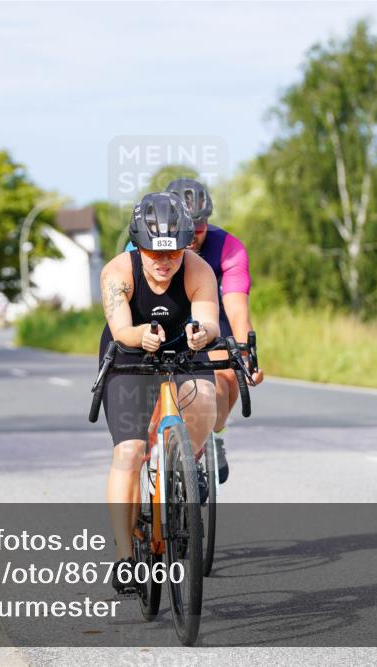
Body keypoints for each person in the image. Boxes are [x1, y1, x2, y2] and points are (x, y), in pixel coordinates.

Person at [99, 192, 220, 595]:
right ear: (139, 245)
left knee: (205, 398)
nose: (165, 262)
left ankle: (183, 467)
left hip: (184, 347)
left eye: (174, 253)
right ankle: (123, 558)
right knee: (129, 451)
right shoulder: (118, 272)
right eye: (154, 253)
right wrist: (140, 335)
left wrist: (200, 332)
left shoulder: (198, 270)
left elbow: (209, 320)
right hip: (130, 350)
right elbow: (121, 329)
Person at [126, 178, 265, 484]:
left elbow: (237, 308)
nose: (194, 234)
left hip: (209, 318)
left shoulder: (228, 248)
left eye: (200, 225)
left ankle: (211, 435)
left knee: (227, 376)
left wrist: (246, 355)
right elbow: (126, 307)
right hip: (159, 318)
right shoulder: (141, 243)